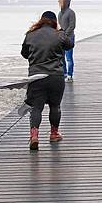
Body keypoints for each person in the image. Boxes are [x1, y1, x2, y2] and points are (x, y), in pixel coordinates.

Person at [21, 11, 73, 150]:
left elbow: (24, 54)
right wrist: (61, 31)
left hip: (36, 77)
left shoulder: (30, 35)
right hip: (56, 76)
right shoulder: (59, 35)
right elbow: (69, 45)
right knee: (55, 106)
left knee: (36, 107)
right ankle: (54, 134)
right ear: (54, 21)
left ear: (41, 20)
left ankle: (34, 136)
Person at [58, 0, 76, 82]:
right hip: (61, 38)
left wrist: (65, 34)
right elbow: (60, 26)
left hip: (69, 38)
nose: (58, 3)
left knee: (69, 58)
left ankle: (70, 75)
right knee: (61, 57)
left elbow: (72, 26)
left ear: (66, 2)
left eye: (60, 1)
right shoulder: (60, 13)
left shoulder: (71, 12)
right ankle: (64, 73)